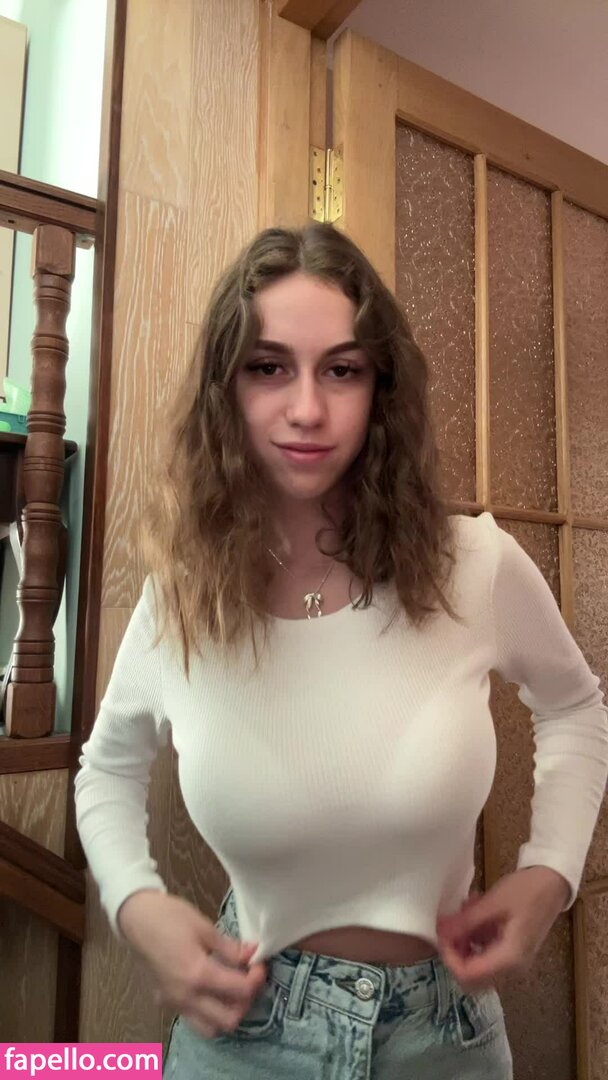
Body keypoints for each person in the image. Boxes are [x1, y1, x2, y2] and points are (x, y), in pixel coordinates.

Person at [74, 223, 608, 1080]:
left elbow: (576, 706)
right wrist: (137, 904)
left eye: (342, 370)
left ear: (380, 387)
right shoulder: (184, 599)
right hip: (245, 1033)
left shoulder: (475, 566)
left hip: (445, 1037)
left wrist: (550, 873)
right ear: (225, 388)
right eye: (268, 367)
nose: (308, 410)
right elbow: (105, 770)